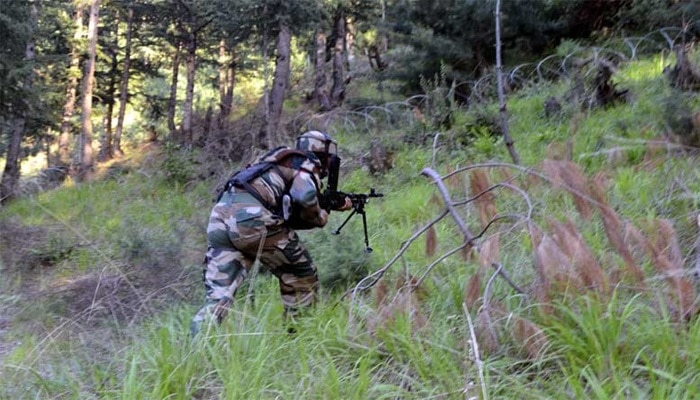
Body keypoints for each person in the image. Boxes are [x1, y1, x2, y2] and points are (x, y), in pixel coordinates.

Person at [190, 131, 352, 335]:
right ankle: (299, 337)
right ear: (319, 152)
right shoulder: (305, 162)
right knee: (301, 275)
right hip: (252, 220)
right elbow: (305, 195)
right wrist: (320, 216)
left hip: (219, 219)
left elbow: (286, 205)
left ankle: (196, 351)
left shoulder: (271, 160)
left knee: (218, 297)